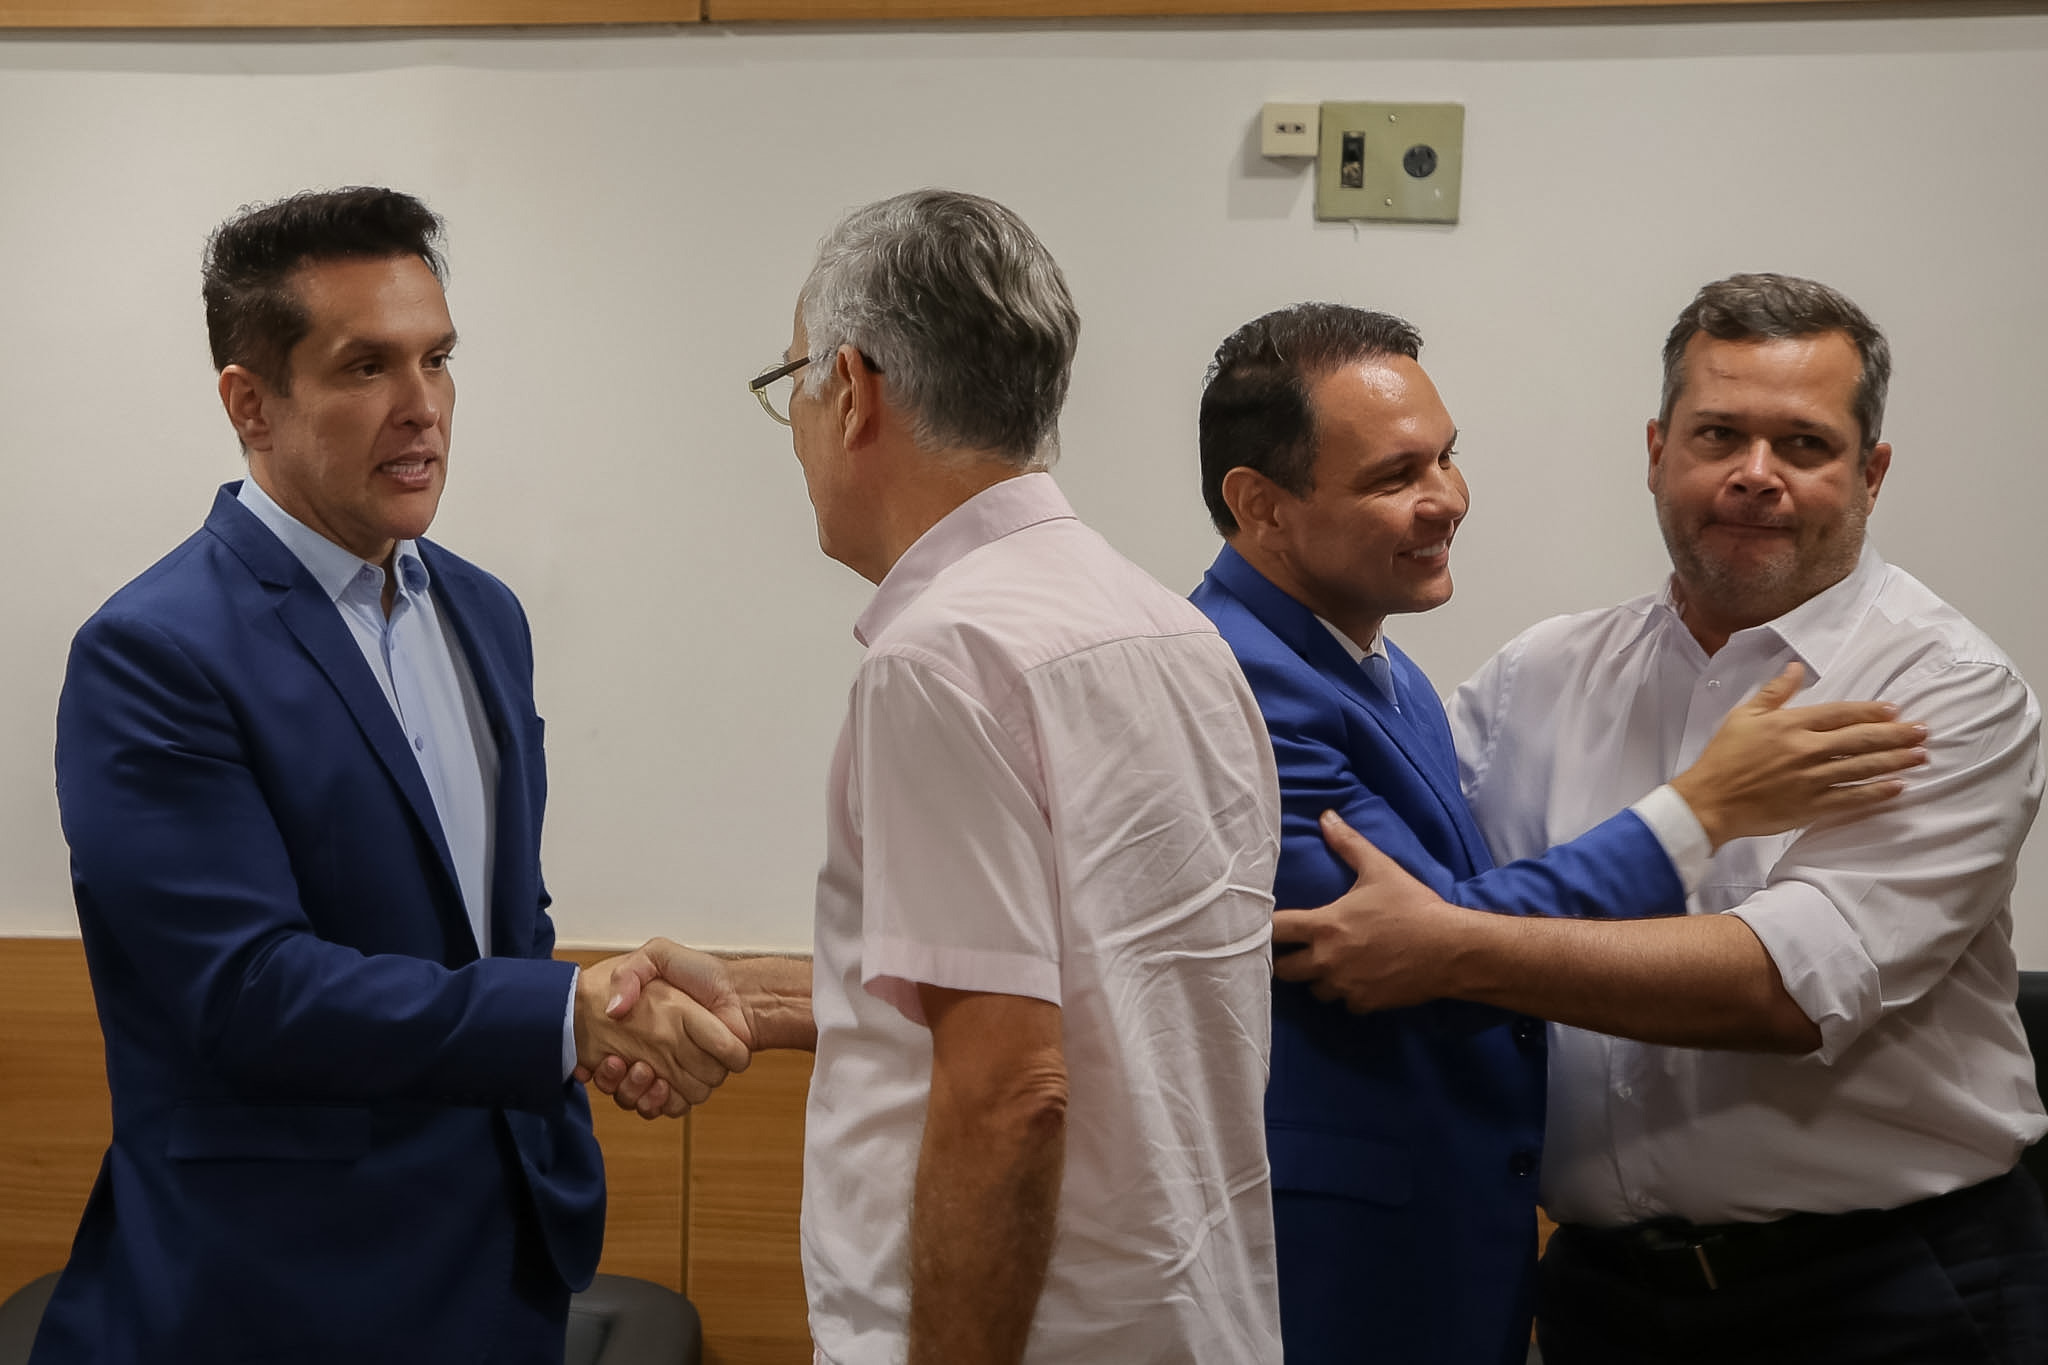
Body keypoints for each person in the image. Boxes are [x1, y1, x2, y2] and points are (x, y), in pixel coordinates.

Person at [1278, 274, 2048, 1363]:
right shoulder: (1540, 676)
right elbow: (1400, 894)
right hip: (1604, 1297)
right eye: (1718, 434)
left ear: (1870, 474)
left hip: (1884, 1297)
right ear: (1656, 452)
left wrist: (1445, 950)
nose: (1754, 474)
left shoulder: (1940, 690)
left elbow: (1782, 989)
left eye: (1804, 444)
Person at [38, 187, 747, 1364]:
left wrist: (605, 1023)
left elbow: (491, 928)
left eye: (438, 359)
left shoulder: (483, 612)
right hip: (276, 1296)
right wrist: (558, 1019)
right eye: (366, 366)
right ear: (249, 403)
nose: (422, 406)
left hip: (503, 1263)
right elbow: (246, 993)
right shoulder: (152, 653)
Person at [593, 189, 1286, 1365]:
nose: (796, 432)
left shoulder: (942, 661)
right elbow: (1093, 984)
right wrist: (773, 999)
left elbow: (1011, 1091)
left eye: (792, 384)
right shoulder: (1174, 634)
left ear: (851, 389)